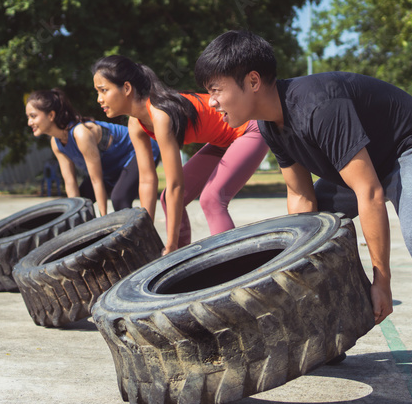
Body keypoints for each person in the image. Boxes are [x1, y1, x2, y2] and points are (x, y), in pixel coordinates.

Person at [193, 30, 412, 404]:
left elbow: (368, 191)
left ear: (252, 81)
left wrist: (381, 280)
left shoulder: (317, 106)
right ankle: (328, 334)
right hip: (369, 165)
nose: (211, 102)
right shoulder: (269, 125)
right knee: (312, 228)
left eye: (215, 90)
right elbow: (301, 200)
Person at [92, 55, 269, 255]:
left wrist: (170, 242)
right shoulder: (135, 123)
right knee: (168, 198)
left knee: (211, 199)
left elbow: (176, 183)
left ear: (126, 88)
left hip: (248, 129)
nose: (99, 99)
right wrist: (145, 234)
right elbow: (147, 180)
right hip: (222, 142)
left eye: (103, 90)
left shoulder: (160, 114)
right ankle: (181, 258)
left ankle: (233, 266)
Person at [25, 88, 156, 216]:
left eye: (33, 116)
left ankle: (139, 237)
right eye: (28, 117)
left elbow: (96, 180)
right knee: (80, 202)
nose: (29, 122)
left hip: (137, 149)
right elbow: (70, 183)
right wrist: (74, 218)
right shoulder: (56, 143)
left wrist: (103, 218)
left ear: (51, 115)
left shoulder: (81, 133)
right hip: (111, 168)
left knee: (119, 199)